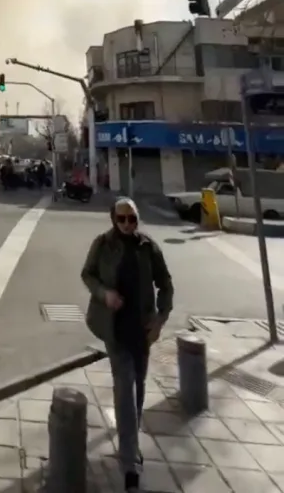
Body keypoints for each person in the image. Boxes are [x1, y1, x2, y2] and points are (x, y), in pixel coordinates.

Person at [81, 198, 174, 492]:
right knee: (124, 389)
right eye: (121, 218)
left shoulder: (148, 247)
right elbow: (87, 274)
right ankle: (130, 462)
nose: (126, 224)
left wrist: (160, 319)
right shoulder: (103, 244)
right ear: (113, 219)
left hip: (142, 331)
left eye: (131, 219)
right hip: (114, 329)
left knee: (139, 389)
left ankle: (130, 444)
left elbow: (166, 283)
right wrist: (104, 294)